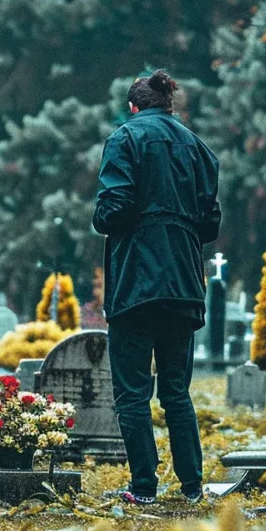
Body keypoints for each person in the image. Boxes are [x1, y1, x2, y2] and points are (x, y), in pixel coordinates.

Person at [93, 70, 221, 504]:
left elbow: (114, 209)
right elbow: (211, 222)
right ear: (169, 105)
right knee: (175, 390)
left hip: (136, 282)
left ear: (133, 107)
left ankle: (143, 487)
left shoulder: (124, 139)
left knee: (132, 390)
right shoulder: (198, 149)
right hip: (184, 282)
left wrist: (102, 218)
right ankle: (192, 487)